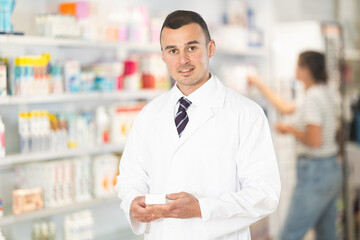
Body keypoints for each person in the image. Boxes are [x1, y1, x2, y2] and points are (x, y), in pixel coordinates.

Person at [115, 10, 281, 240]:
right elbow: (130, 177)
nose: (182, 60)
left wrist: (201, 208)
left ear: (210, 48)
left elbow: (264, 194)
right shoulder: (149, 114)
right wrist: (132, 200)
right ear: (163, 56)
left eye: (191, 48)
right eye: (173, 50)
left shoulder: (246, 114)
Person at [248, 51, 342, 240]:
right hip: (330, 170)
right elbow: (284, 107)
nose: (295, 69)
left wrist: (290, 129)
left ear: (306, 69)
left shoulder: (312, 97)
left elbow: (315, 141)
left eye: (298, 65)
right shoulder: (322, 92)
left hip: (315, 172)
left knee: (289, 234)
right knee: (327, 234)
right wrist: (258, 83)